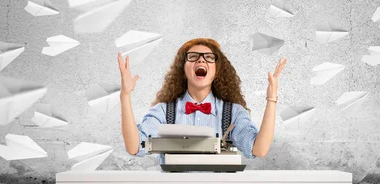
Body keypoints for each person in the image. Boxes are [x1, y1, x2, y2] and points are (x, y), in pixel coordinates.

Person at [118, 37, 287, 165]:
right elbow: (135, 146)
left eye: (208, 57)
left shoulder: (233, 113)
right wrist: (125, 95)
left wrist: (271, 99)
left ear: (217, 70)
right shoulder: (164, 112)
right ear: (183, 69)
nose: (201, 60)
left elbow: (259, 149)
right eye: (193, 57)